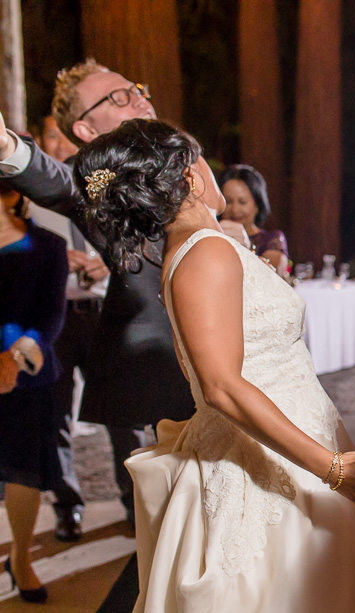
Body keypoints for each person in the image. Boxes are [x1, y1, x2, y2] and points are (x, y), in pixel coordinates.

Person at [73, 118, 355, 612]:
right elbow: (221, 386)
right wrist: (330, 468)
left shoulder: (197, 248)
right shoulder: (204, 253)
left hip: (289, 433)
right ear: (187, 176)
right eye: (201, 155)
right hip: (266, 460)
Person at [0, 59, 193, 528]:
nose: (139, 98)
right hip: (171, 373)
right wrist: (8, 147)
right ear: (86, 128)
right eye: (119, 97)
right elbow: (66, 184)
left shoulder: (183, 160)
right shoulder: (102, 185)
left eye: (136, 88)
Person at [28, 114, 107, 542]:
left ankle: (137, 505)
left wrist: (107, 266)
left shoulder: (104, 190)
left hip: (102, 316)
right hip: (56, 319)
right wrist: (57, 264)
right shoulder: (30, 200)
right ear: (41, 142)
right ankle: (68, 507)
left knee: (121, 414)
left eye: (65, 137)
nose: (59, 146)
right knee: (55, 416)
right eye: (51, 137)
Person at [0, 187, 68, 603]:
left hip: (27, 374)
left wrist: (15, 357)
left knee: (23, 473)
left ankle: (21, 557)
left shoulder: (48, 244)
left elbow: (51, 315)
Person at [218, 164, 289, 272]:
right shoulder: (213, 236)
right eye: (228, 201)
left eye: (242, 202)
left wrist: (248, 249)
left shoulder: (273, 239)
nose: (235, 210)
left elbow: (272, 275)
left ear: (257, 205)